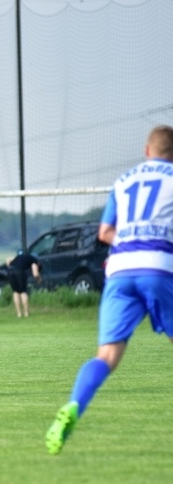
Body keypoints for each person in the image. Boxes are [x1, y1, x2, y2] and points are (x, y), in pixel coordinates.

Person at [46, 125, 173, 455]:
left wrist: (133, 242)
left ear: (147, 151)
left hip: (120, 269)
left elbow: (104, 232)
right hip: (159, 266)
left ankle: (74, 405)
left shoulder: (124, 180)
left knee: (106, 356)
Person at [5, 250, 41, 317]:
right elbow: (35, 274)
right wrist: (39, 279)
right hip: (19, 272)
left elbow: (8, 259)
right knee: (23, 292)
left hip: (10, 272)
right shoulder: (34, 260)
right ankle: (26, 313)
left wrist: (9, 267)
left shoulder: (20, 257)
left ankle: (19, 314)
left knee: (15, 292)